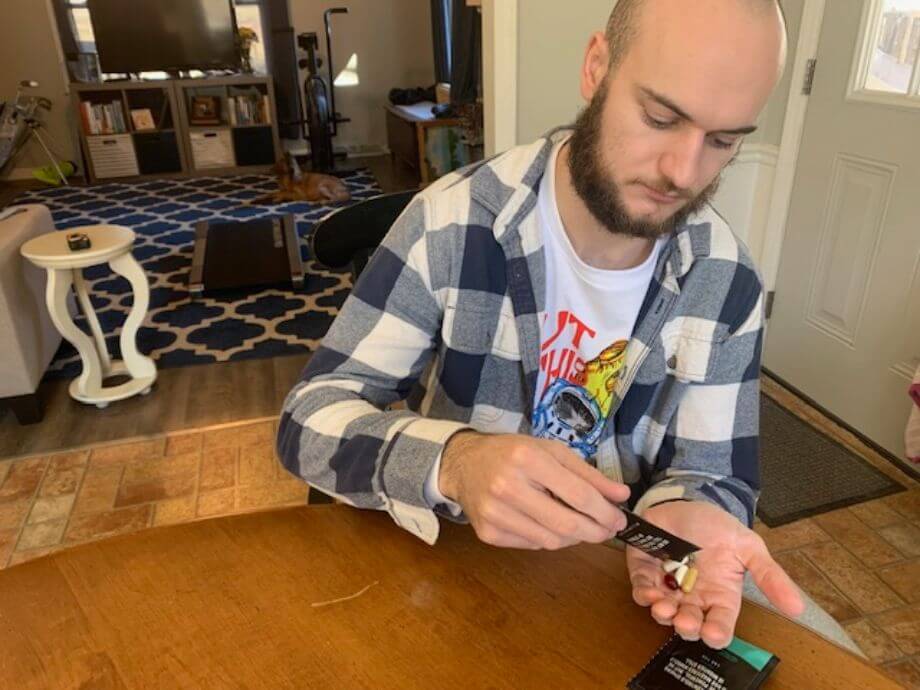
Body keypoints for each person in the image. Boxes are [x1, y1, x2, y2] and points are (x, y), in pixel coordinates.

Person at [278, 0, 859, 653]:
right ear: (596, 68)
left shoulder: (726, 279)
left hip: (619, 582)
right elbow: (307, 419)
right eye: (661, 117)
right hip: (453, 561)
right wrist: (455, 461)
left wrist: (689, 509)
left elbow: (713, 471)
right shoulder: (450, 222)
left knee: (832, 653)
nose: (684, 172)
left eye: (723, 141)